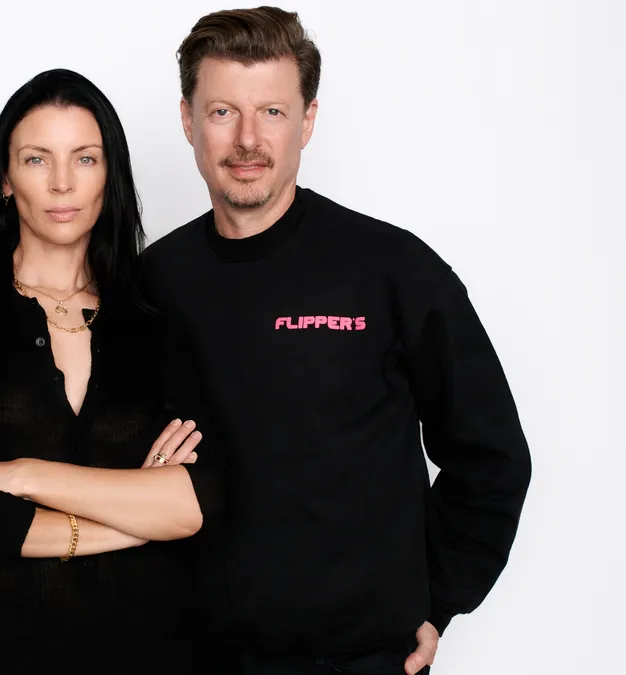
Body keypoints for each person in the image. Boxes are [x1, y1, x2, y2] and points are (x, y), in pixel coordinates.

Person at [141, 7, 533, 674]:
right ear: (187, 120)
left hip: (364, 660)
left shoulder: (392, 272)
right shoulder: (150, 285)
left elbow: (491, 457)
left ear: (308, 121)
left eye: (271, 112)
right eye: (221, 112)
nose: (247, 140)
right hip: (195, 657)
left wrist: (435, 598)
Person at [0, 68, 222, 674]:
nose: (63, 183)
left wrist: (22, 474)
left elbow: (198, 502)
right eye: (37, 159)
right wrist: (131, 520)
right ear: (6, 179)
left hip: (155, 647)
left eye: (85, 159)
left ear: (109, 174)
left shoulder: (157, 319)